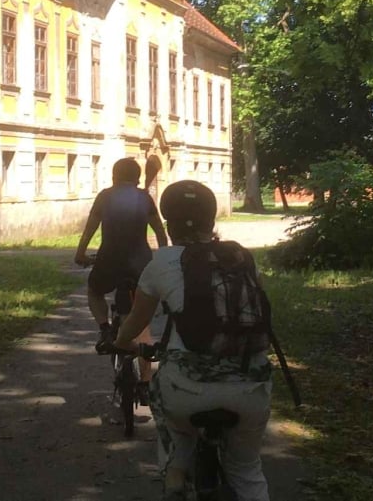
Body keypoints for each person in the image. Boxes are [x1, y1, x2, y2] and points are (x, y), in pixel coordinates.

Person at [115, 180, 273, 501]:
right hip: (251, 387)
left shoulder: (162, 262)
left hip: (186, 392)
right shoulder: (241, 258)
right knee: (246, 470)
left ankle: (174, 474)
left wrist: (120, 343)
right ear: (212, 222)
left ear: (169, 225)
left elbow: (134, 325)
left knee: (171, 414)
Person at [74, 156, 167, 390]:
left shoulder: (105, 196)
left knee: (95, 290)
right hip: (140, 264)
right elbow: (159, 230)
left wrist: (81, 252)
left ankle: (105, 330)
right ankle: (145, 382)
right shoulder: (145, 197)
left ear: (114, 176)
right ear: (137, 178)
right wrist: (165, 256)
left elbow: (91, 226)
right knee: (141, 320)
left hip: (109, 260)